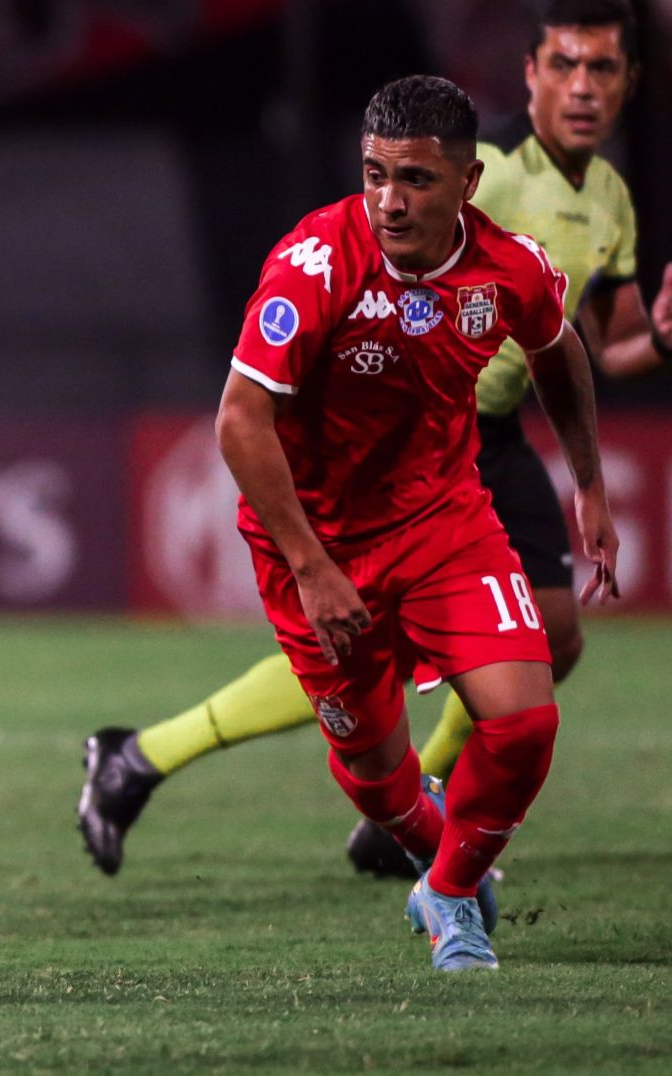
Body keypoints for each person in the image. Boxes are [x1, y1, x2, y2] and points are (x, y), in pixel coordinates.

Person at [78, 0, 672, 880]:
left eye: (602, 68)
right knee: (380, 648)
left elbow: (589, 341)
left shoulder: (606, 200)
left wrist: (656, 351)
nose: (583, 88)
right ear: (529, 76)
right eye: (565, 65)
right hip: (413, 441)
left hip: (464, 442)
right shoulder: (481, 179)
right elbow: (251, 407)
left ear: (630, 82)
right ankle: (197, 764)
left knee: (543, 643)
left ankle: (418, 804)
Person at [219, 74, 612, 969]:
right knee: (377, 775)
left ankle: (450, 892)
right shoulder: (315, 264)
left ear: (467, 182)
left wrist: (589, 483)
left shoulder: (508, 268)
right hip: (316, 544)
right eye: (375, 174)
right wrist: (313, 568)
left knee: (525, 725)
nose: (389, 201)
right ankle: (435, 853)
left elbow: (558, 351)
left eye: (416, 180)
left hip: (442, 522)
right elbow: (240, 420)